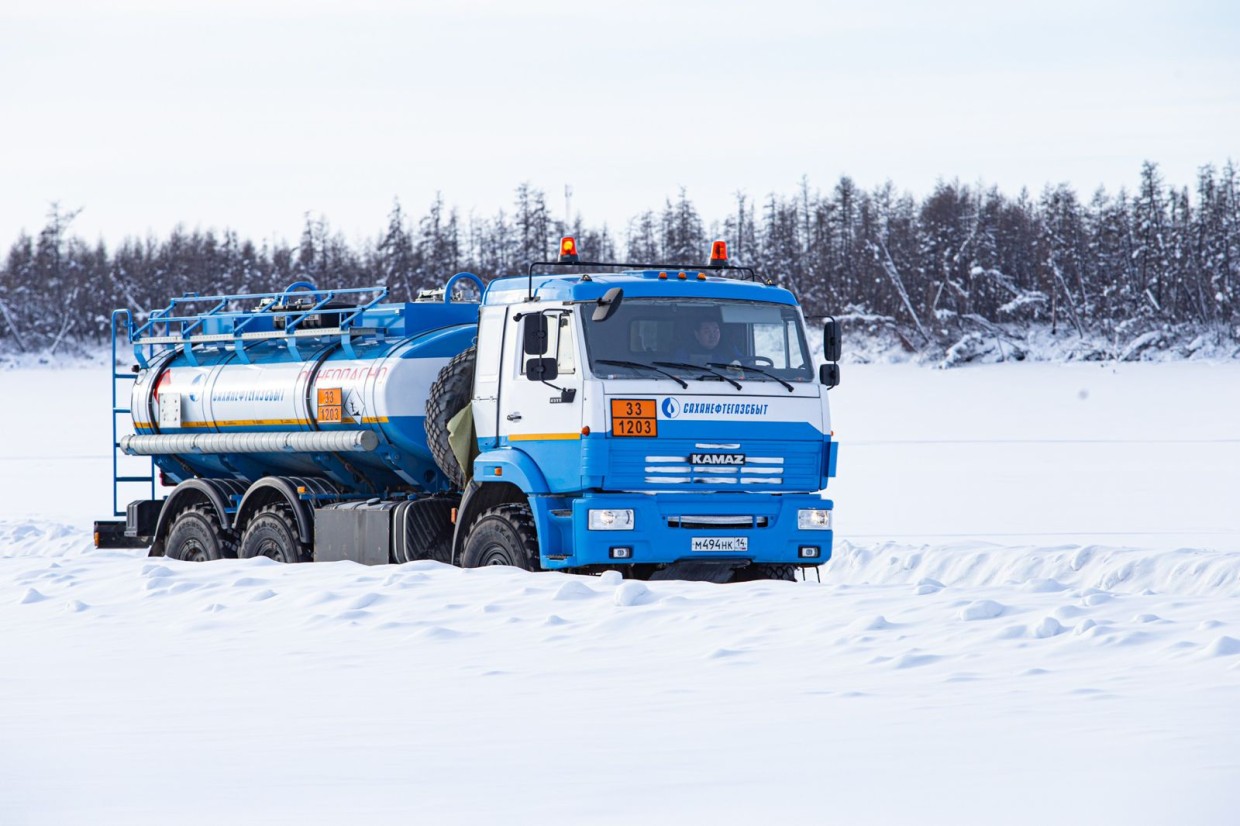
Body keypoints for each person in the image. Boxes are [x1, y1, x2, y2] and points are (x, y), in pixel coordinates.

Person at [674, 316, 744, 364]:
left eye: (716, 331)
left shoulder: (729, 349)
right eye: (707, 332)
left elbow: (745, 364)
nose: (712, 335)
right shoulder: (685, 352)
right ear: (697, 334)